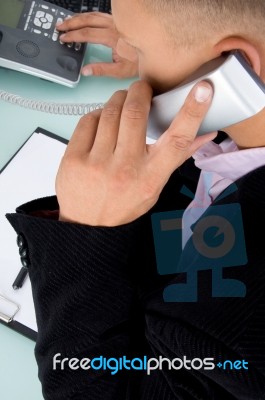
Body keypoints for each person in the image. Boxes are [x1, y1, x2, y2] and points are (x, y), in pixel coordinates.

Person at [6, 0, 265, 399]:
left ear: (233, 61)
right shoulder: (236, 135)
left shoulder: (234, 339)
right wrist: (166, 47)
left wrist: (83, 234)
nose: (132, 61)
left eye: (136, 48)